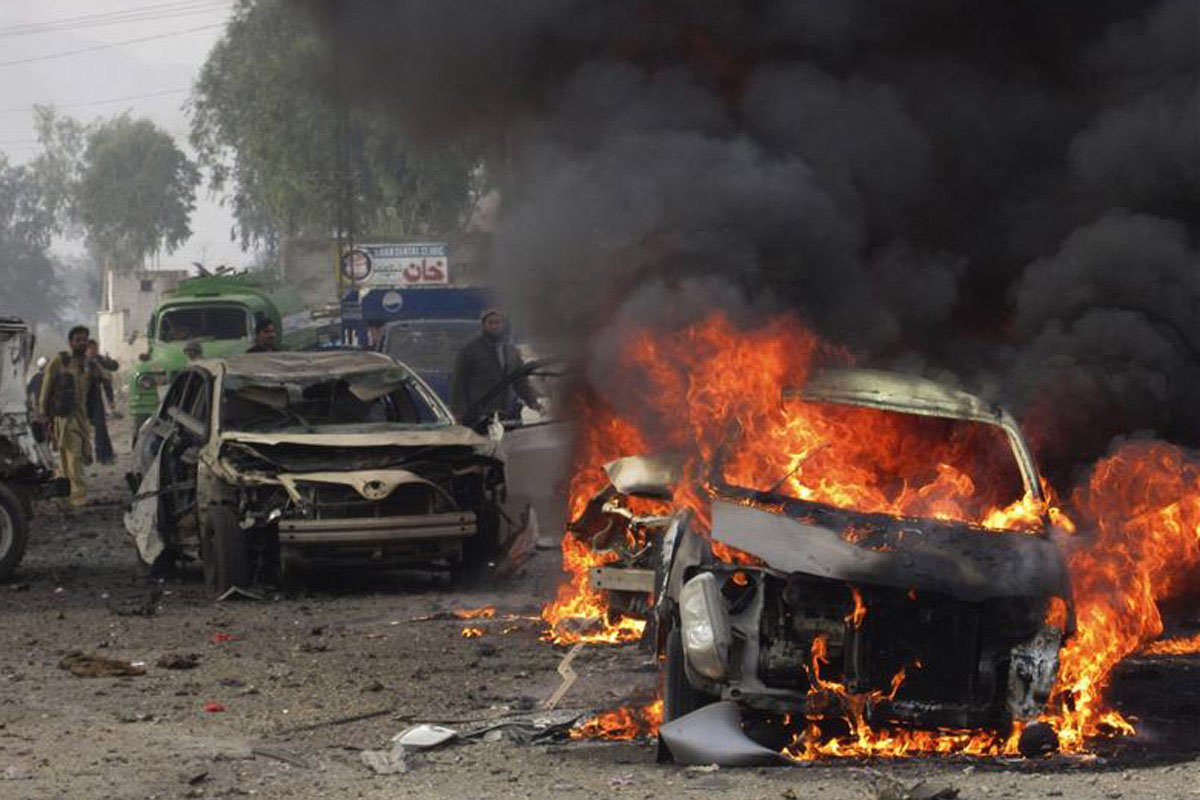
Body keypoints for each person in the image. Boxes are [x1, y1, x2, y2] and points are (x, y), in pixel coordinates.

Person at [39, 325, 102, 507]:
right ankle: (79, 496)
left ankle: (65, 489)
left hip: (82, 418)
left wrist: (97, 364)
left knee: (73, 456)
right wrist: (43, 413)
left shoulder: (88, 365)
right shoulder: (60, 361)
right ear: (71, 342)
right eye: (78, 340)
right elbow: (46, 386)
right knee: (74, 455)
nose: (81, 343)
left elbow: (105, 376)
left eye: (84, 340)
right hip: (65, 418)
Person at [450, 309, 541, 423]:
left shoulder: (511, 352)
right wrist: (459, 412)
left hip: (507, 413)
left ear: (503, 325)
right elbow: (458, 382)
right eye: (491, 323)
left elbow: (520, 381)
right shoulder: (470, 350)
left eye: (497, 323)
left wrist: (533, 402)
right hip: (479, 414)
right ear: (484, 325)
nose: (494, 326)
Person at [85, 340, 119, 465]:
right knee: (81, 429)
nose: (94, 351)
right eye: (91, 349)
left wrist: (111, 400)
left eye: (96, 349)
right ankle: (85, 456)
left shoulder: (98, 360)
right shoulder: (79, 361)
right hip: (81, 398)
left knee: (100, 426)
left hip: (94, 396)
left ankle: (104, 455)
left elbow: (113, 368)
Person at [26, 356, 47, 442]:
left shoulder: (34, 378)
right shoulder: (45, 378)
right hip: (42, 410)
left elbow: (28, 392)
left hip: (37, 410)